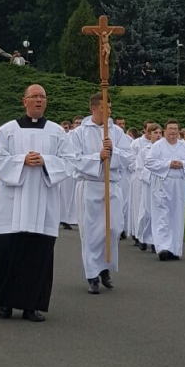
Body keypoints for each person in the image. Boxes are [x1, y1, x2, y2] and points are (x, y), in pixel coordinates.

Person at [0, 84, 75, 321]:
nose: (39, 100)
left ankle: (31, 305)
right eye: (34, 97)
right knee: (7, 252)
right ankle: (5, 303)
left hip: (43, 204)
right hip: (12, 204)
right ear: (24, 101)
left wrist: (46, 161)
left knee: (38, 256)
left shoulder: (57, 132)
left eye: (42, 97)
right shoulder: (7, 130)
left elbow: (70, 162)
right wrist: (22, 160)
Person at [69, 93, 133, 294]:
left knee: (113, 228)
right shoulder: (78, 133)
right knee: (92, 232)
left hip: (111, 185)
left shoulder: (117, 132)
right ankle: (92, 274)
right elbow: (73, 160)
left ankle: (106, 267)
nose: (109, 111)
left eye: (110, 107)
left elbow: (130, 156)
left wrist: (113, 153)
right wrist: (98, 156)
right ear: (94, 109)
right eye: (105, 107)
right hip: (91, 185)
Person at [146, 120, 185, 261]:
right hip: (162, 183)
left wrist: (182, 164)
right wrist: (168, 164)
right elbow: (149, 162)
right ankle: (163, 247)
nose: (173, 132)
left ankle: (174, 248)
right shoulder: (158, 145)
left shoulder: (183, 145)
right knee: (163, 215)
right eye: (170, 129)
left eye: (175, 129)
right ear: (165, 131)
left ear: (178, 131)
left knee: (177, 215)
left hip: (178, 184)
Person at [135, 123, 162, 251]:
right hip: (148, 185)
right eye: (155, 133)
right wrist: (151, 175)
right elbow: (139, 169)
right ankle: (142, 237)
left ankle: (155, 241)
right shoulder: (143, 151)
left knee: (158, 213)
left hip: (161, 186)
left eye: (160, 133)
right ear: (149, 134)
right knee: (146, 213)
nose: (158, 135)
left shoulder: (163, 150)